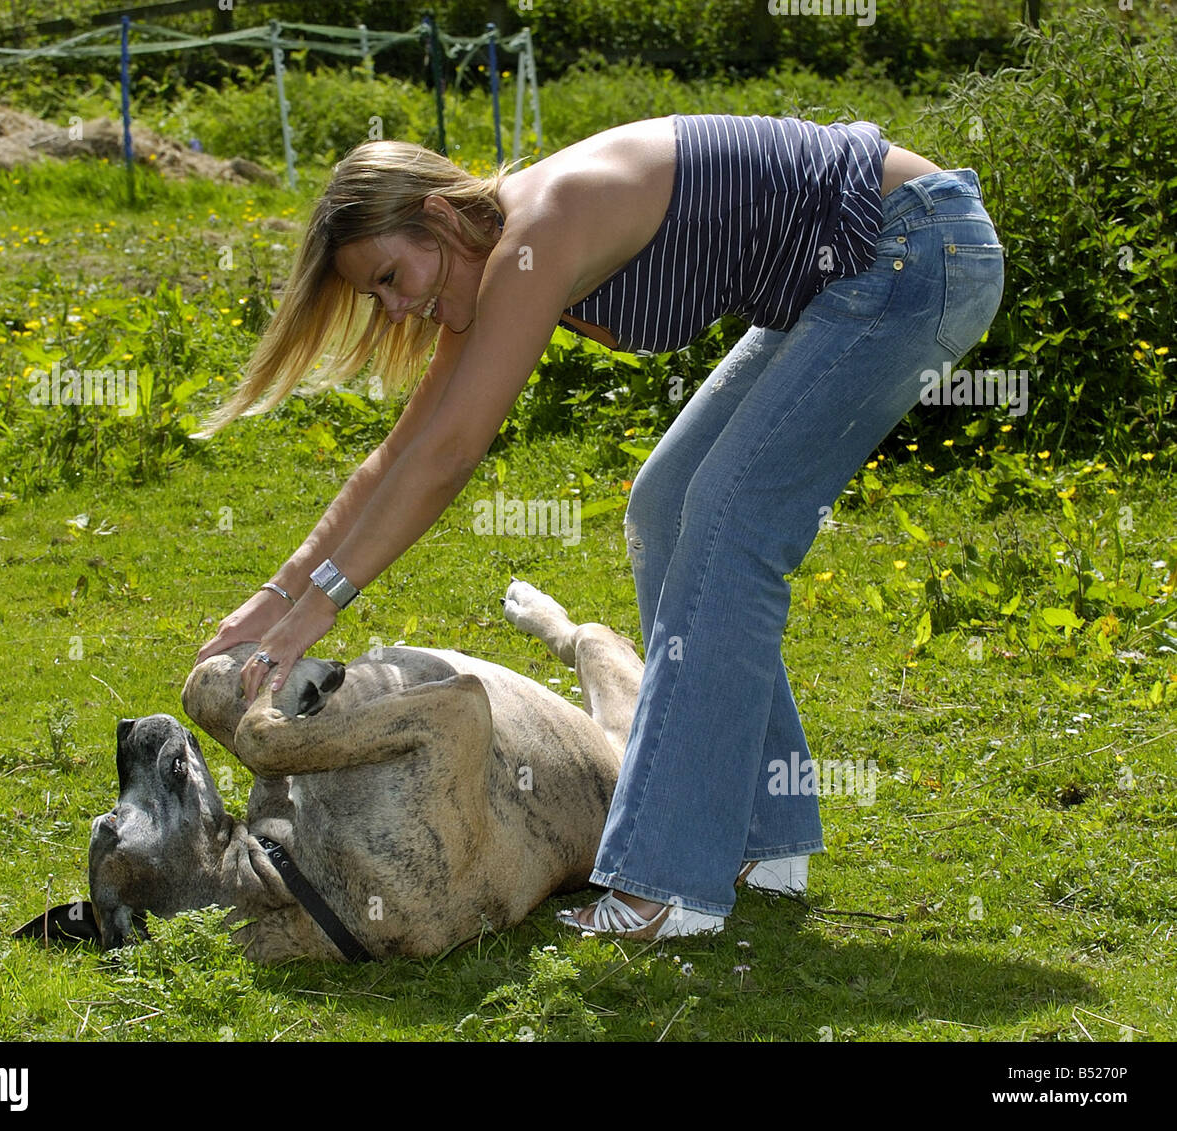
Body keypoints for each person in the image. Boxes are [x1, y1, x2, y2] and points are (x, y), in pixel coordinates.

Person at [193, 113, 1004, 941]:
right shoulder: (491, 264)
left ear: (439, 219)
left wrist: (319, 609)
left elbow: (452, 454)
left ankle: (672, 883)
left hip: (912, 247)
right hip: (865, 265)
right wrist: (276, 595)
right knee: (667, 503)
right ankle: (769, 837)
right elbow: (399, 455)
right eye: (380, 296)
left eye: (392, 277)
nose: (398, 310)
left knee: (728, 523)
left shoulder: (539, 229)